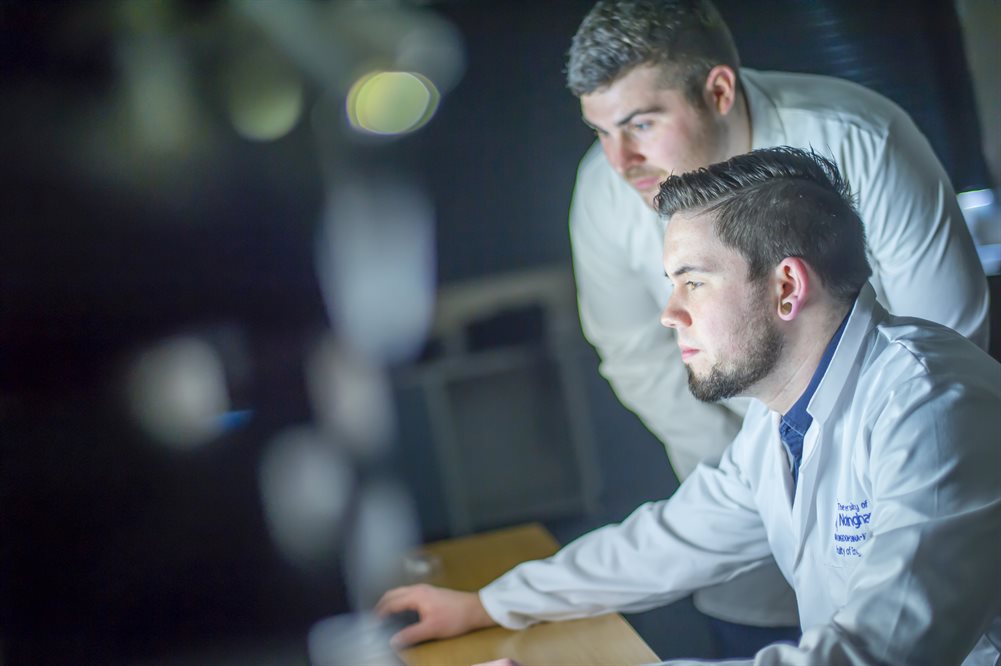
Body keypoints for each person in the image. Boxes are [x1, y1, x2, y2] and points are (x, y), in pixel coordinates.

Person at [376, 147, 1001, 666]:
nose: (669, 312)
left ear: (787, 287)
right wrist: (486, 605)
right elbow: (668, 542)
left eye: (693, 282)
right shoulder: (781, 412)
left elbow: (873, 657)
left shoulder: (931, 409)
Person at [562, 0, 989, 651]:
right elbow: (634, 356)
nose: (619, 162)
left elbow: (942, 335)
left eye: (640, 123)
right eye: (599, 132)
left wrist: (845, 457)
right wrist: (755, 471)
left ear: (718, 91)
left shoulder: (857, 136)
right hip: (739, 468)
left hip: (893, 457)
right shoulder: (603, 191)